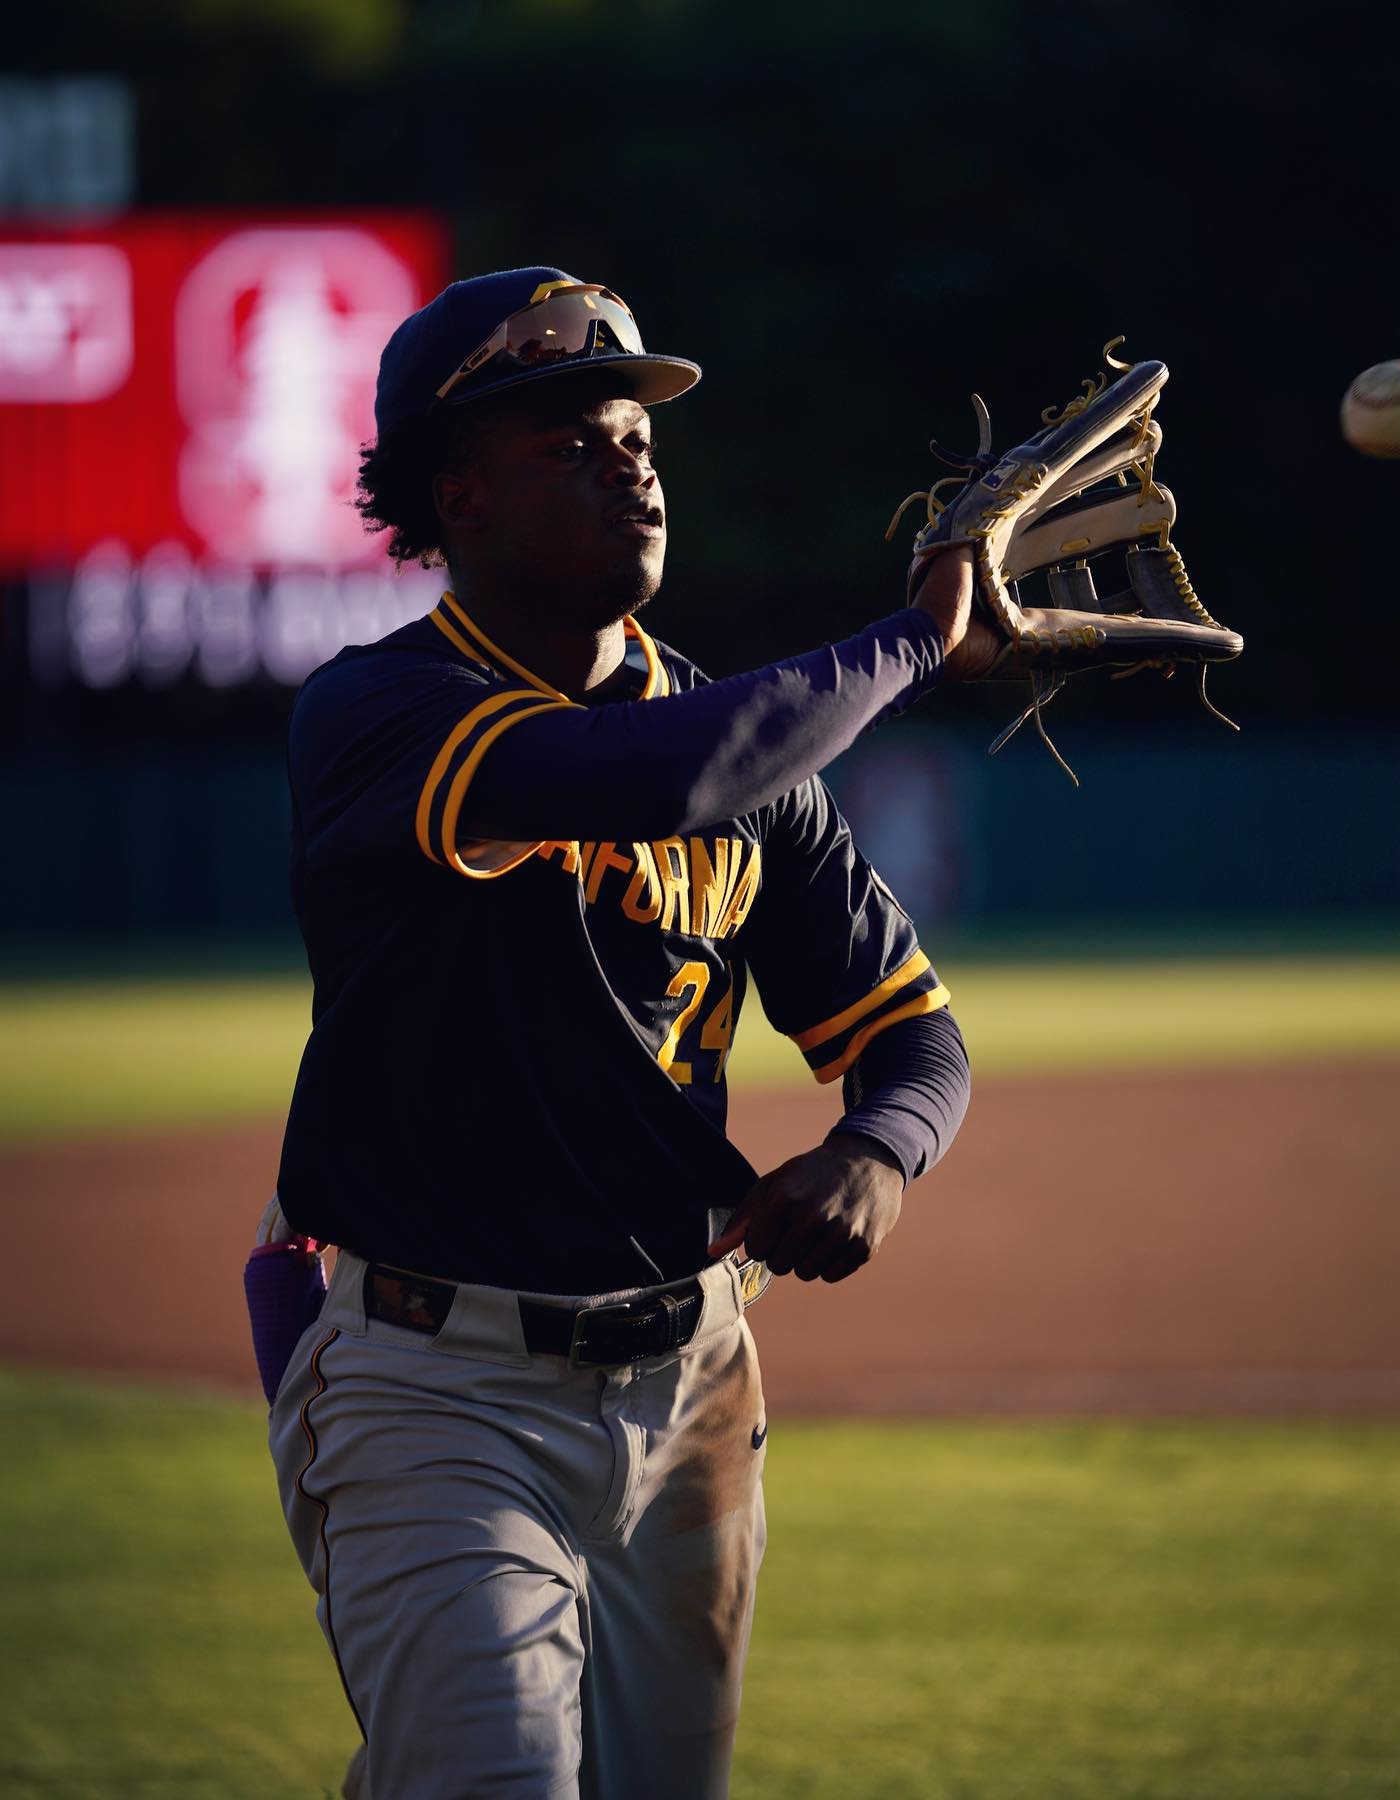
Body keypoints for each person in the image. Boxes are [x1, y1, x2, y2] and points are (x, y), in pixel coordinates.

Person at [258, 267, 973, 1800]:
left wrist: (881, 1151)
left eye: (637, 434)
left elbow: (915, 1038)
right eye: (572, 438)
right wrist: (916, 639)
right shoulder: (379, 712)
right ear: (461, 495)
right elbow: (649, 777)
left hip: (693, 1380)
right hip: (437, 1389)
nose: (630, 456)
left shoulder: (745, 753)